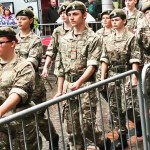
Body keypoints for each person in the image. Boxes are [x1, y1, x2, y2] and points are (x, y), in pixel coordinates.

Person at [54, 1, 111, 149]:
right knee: (71, 123)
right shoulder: (64, 39)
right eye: (69, 14)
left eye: (75, 14)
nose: (71, 17)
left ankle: (101, 143)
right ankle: (76, 146)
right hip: (69, 84)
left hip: (86, 85)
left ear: (84, 15)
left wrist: (79, 82)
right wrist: (60, 90)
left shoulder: (93, 38)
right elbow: (60, 67)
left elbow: (92, 65)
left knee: (87, 122)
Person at [15, 8, 59, 150]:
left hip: (34, 87)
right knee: (25, 120)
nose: (19, 21)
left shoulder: (35, 40)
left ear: (31, 20)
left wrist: (14, 68)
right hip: (17, 85)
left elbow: (31, 62)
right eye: (18, 19)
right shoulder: (13, 39)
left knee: (39, 118)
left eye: (23, 18)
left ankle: (53, 137)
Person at [100, 9, 141, 149]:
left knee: (128, 107)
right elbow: (104, 59)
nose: (114, 22)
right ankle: (122, 137)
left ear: (124, 20)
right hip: (112, 76)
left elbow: (135, 57)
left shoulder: (131, 37)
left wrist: (134, 77)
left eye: (117, 19)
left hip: (126, 74)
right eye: (113, 20)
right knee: (115, 108)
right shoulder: (107, 38)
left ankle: (140, 123)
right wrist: (102, 78)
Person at [0, 26, 42, 149]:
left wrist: (1, 111)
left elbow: (18, 93)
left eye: (0, 43)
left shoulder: (24, 66)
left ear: (12, 43)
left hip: (20, 124)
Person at [42, 2, 72, 79]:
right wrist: (45, 67)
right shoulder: (57, 31)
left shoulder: (77, 30)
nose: (62, 15)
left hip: (75, 67)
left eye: (65, 13)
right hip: (61, 68)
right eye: (61, 13)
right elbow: (51, 50)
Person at [96, 9, 113, 82]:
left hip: (111, 64)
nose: (105, 20)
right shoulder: (98, 33)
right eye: (103, 18)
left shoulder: (116, 32)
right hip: (99, 64)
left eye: (107, 18)